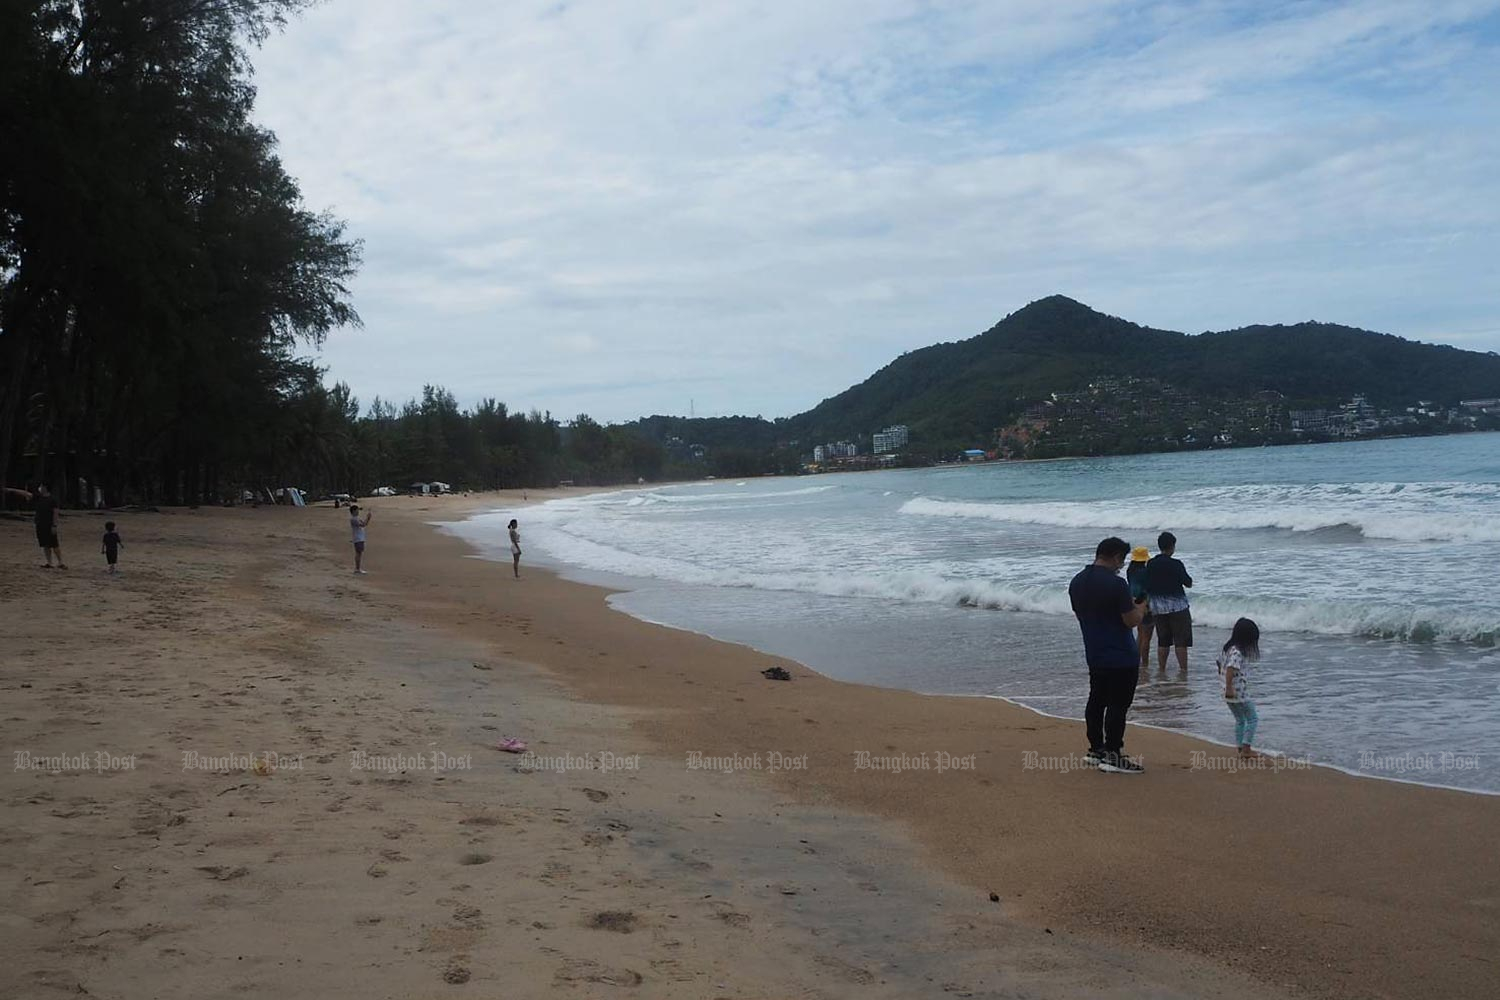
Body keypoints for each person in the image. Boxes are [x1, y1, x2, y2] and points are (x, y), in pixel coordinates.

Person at [1069, 536, 1148, 773]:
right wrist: (1141, 607)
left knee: (1096, 700)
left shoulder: (1077, 582)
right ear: (1115, 557)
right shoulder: (1116, 584)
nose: (1121, 566)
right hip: (1121, 655)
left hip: (1094, 652)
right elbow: (1130, 620)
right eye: (1121, 561)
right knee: (1118, 705)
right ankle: (1113, 753)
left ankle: (1096, 748)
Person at [1144, 531, 1193, 673]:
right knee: (1181, 641)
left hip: (1158, 607)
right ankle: (1183, 670)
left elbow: (1147, 584)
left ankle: (1162, 669)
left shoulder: (1151, 564)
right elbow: (1188, 582)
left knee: (1163, 640)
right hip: (1178, 607)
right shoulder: (1176, 564)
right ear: (1172, 546)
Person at [1217, 618, 1262, 759]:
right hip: (1237, 692)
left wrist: (1224, 684)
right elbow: (1230, 669)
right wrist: (1230, 687)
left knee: (1240, 720)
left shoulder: (1228, 648)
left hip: (1226, 691)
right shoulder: (1237, 652)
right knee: (1253, 718)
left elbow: (1219, 664)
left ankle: (1240, 748)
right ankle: (1247, 748)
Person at [5, 484, 66, 568]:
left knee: (54, 544)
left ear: (45, 488)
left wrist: (54, 525)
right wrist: (11, 490)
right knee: (45, 544)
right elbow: (25, 493)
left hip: (49, 524)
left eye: (41, 487)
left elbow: (55, 513)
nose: (40, 488)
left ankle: (60, 562)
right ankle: (49, 562)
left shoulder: (53, 500)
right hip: (40, 524)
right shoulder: (38, 498)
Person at [1126, 546, 1155, 671]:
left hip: (1133, 602)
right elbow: (1149, 588)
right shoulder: (1145, 572)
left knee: (1140, 634)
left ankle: (1136, 660)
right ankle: (1145, 664)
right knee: (1146, 637)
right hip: (1145, 603)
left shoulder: (1130, 570)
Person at [349, 503, 372, 574]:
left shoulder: (356, 518)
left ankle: (358, 568)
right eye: (356, 510)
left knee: (359, 553)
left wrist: (367, 519)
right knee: (358, 553)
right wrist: (368, 518)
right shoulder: (353, 519)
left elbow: (364, 524)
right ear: (353, 511)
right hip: (358, 538)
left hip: (359, 538)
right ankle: (357, 569)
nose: (358, 511)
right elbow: (363, 525)